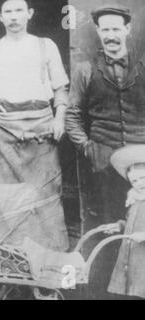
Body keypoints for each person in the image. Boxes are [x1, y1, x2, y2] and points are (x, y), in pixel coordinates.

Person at [0, 0, 70, 251]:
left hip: (42, 133)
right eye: (8, 12)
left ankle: (48, 270)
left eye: (19, 11)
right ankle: (8, 268)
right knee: (7, 202)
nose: (14, 17)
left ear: (29, 14)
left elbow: (61, 90)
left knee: (45, 201)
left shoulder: (46, 46)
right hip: (2, 133)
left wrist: (59, 117)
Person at [66, 5, 145, 298]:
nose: (111, 35)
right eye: (105, 30)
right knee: (108, 229)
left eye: (116, 29)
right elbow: (72, 115)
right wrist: (88, 148)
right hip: (102, 167)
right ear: (98, 32)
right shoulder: (85, 70)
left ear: (128, 29)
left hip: (142, 164)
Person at [98, 144, 145, 299]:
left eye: (143, 178)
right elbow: (131, 222)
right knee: (133, 290)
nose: (139, 183)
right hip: (133, 257)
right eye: (134, 181)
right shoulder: (134, 199)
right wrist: (119, 226)